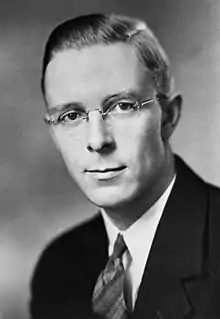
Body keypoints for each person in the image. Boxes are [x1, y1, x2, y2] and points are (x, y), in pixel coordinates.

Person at [29, 13, 220, 319]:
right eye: (71, 116)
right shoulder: (58, 267)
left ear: (169, 116)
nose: (97, 140)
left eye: (122, 106)